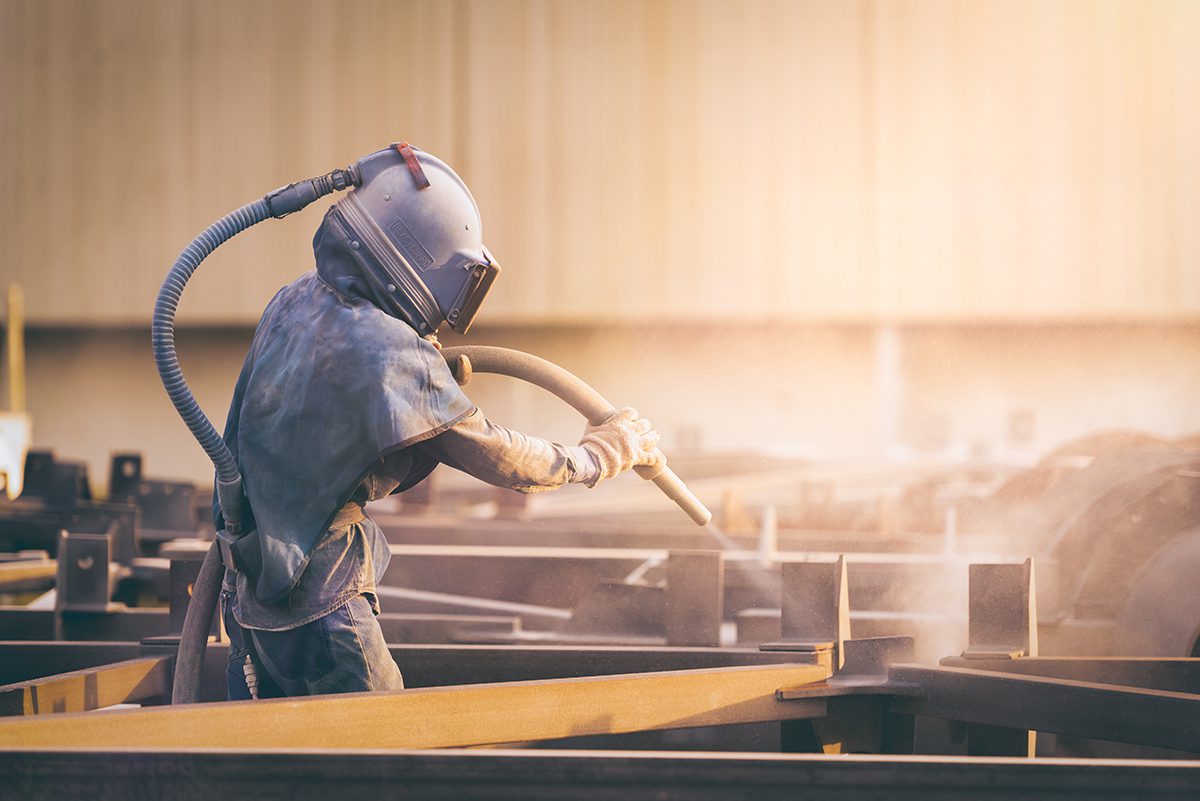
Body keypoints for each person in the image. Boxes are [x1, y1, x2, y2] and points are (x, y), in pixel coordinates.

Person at [215, 143, 663, 699]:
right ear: (423, 263)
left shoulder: (294, 300)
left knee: (256, 765)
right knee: (388, 760)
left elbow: (249, 435)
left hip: (247, 598)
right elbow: (494, 453)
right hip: (320, 604)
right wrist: (599, 455)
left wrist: (424, 386)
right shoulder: (386, 349)